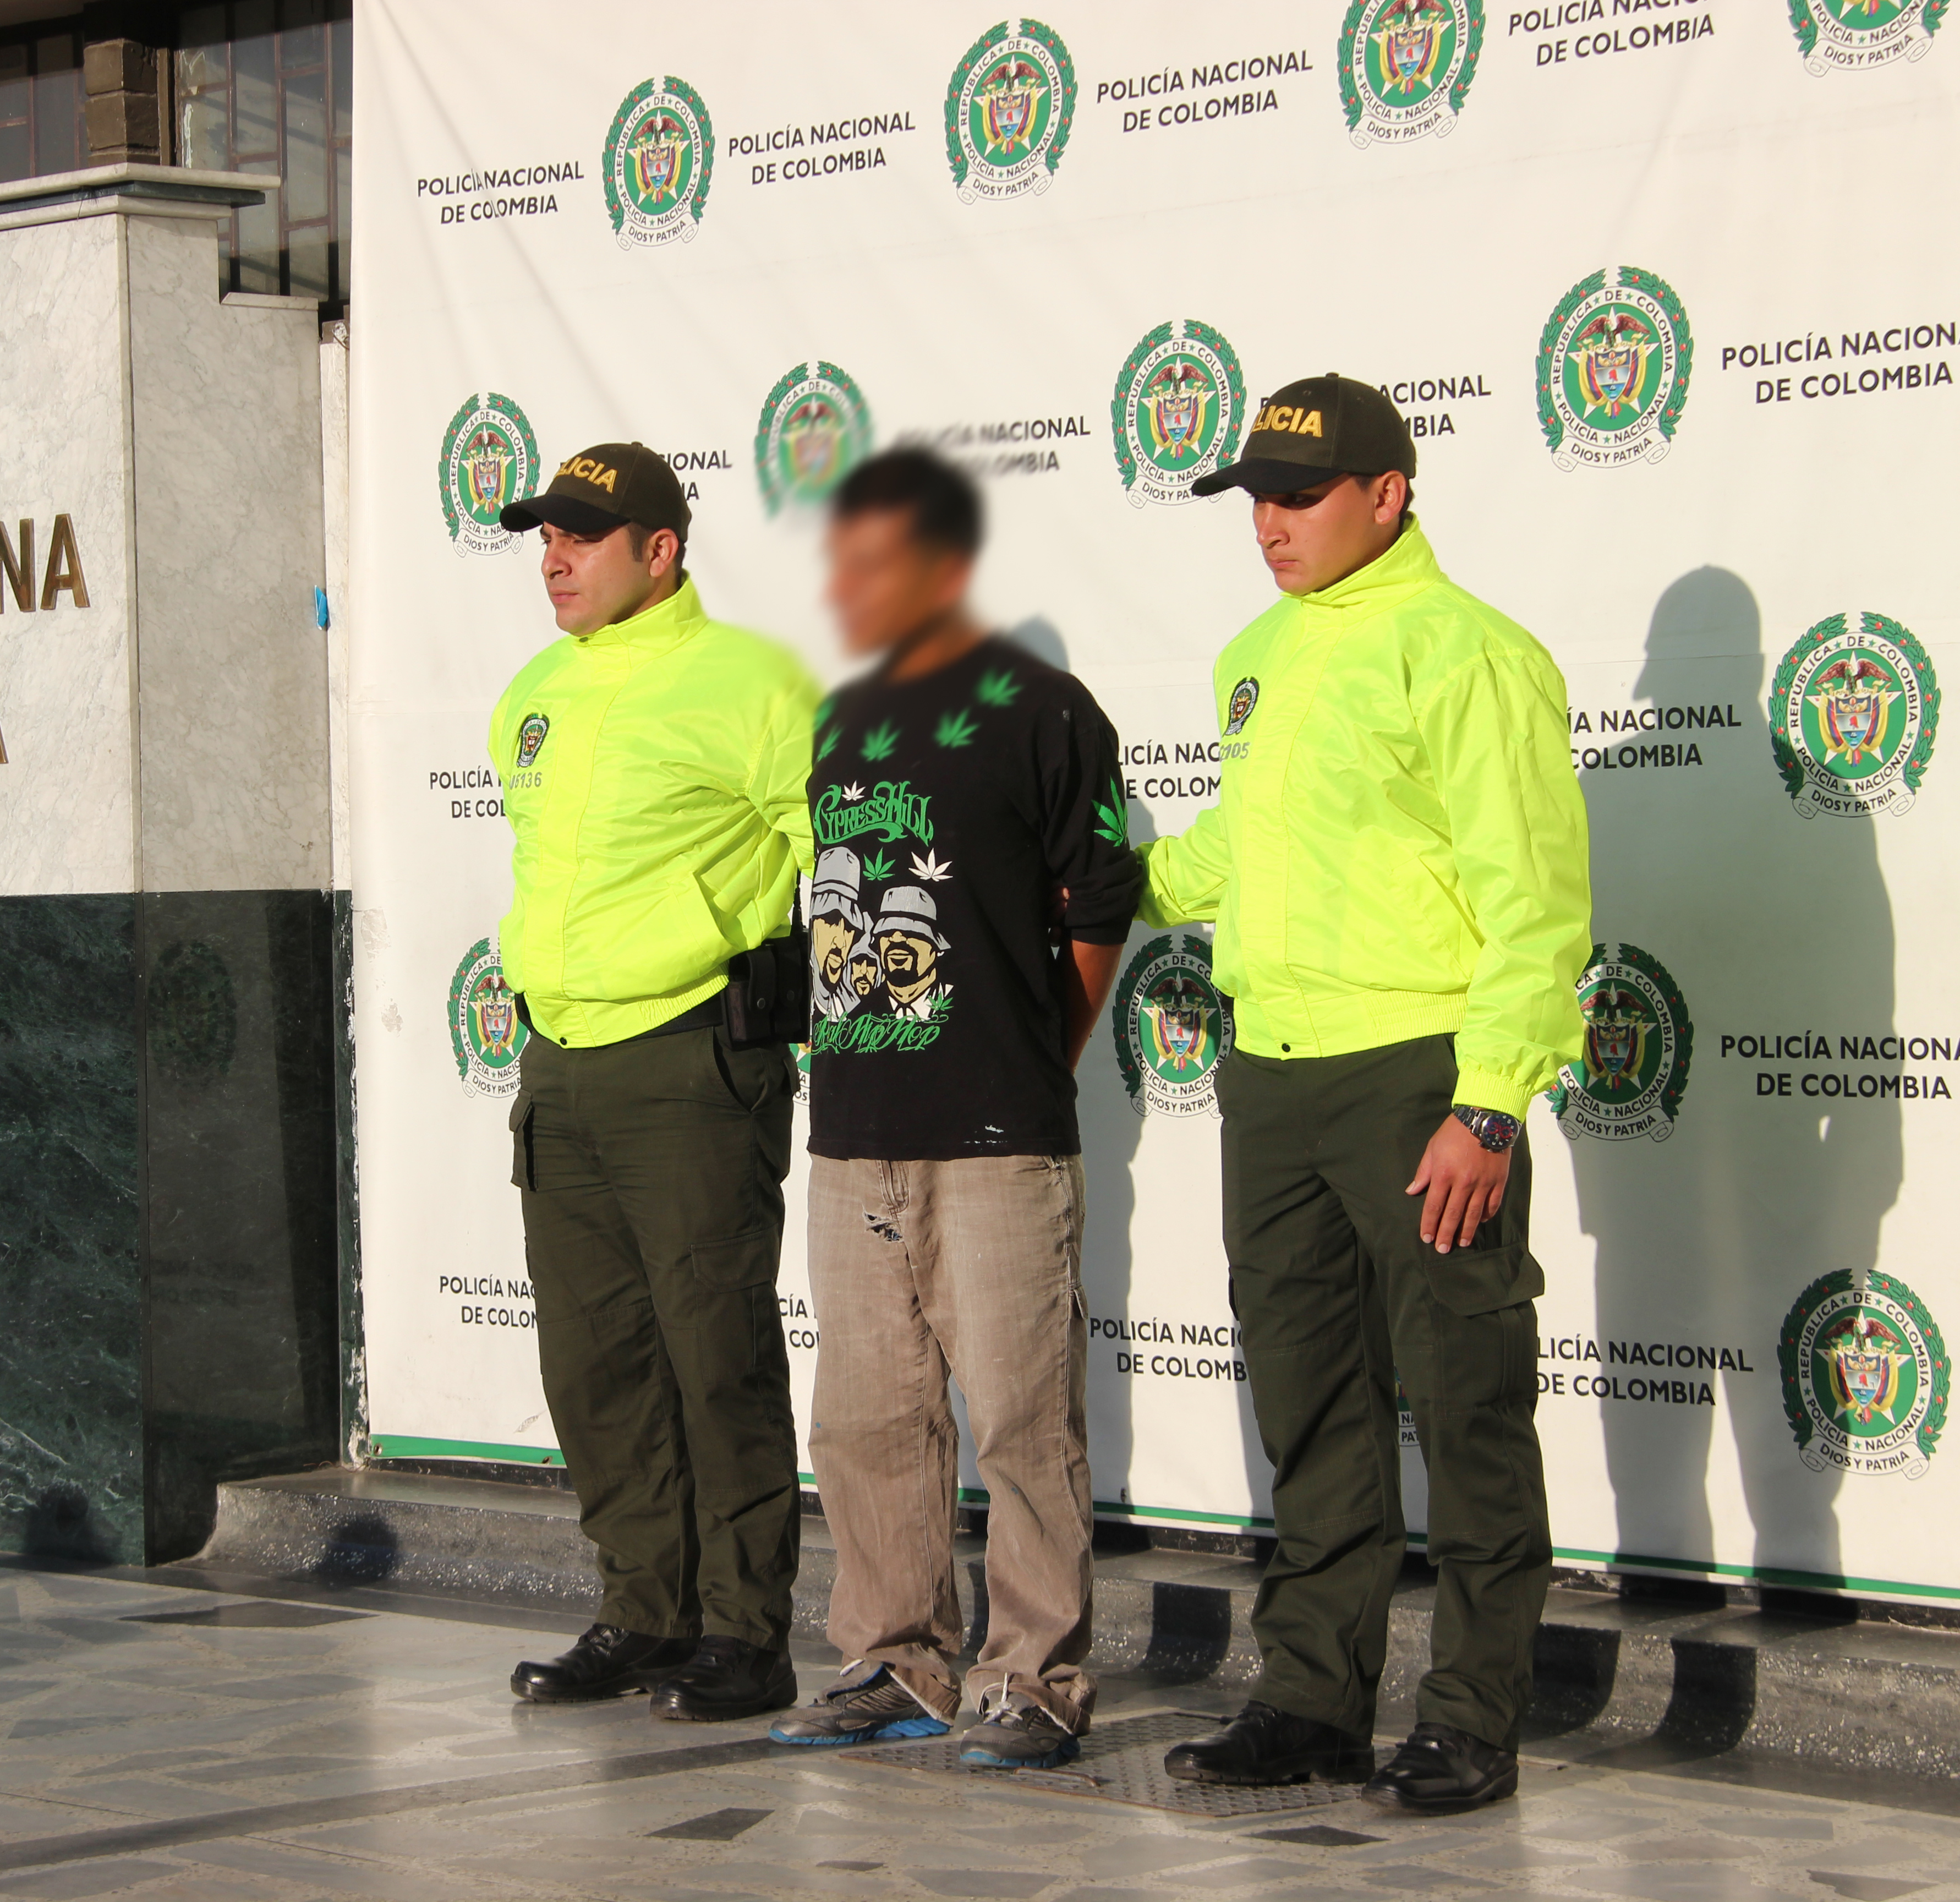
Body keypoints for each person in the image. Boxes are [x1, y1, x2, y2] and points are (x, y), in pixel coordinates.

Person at [1141, 376, 1590, 1813]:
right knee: (1314, 1405)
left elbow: (1535, 896)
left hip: (1422, 1083)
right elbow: (1244, 848)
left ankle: (1470, 1717)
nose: (1268, 523)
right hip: (1270, 1078)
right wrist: (1105, 872)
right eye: (1254, 497)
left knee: (1465, 1405)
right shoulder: (1256, 655)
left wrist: (1495, 1100)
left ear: (1387, 494)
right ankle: (1312, 1703)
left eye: (1300, 495)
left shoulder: (1471, 653)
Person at [763, 449, 1142, 1769]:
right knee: (866, 1418)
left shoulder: (1044, 710)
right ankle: (894, 1661)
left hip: (997, 1134)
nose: (846, 585)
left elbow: (1102, 905)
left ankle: (1034, 1678)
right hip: (855, 1130)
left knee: (1024, 1418)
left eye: (873, 560)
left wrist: (1040, 1050)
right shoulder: (841, 718)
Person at [489, 441, 817, 1723]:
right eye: (544, 537)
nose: (554, 557)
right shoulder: (535, 691)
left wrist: (821, 1018)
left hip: (692, 1065)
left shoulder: (751, 681)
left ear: (659, 550)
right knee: (595, 1365)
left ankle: (748, 1631)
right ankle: (643, 1611)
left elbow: (837, 852)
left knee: (716, 1356)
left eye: (581, 535)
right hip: (559, 1068)